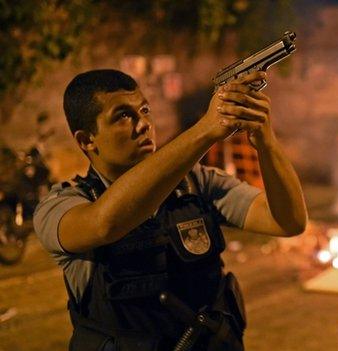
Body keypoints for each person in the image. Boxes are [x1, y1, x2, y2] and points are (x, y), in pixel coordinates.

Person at [33, 69, 307, 351]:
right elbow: (104, 224)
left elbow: (288, 221)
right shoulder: (62, 205)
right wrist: (205, 129)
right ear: (86, 140)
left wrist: (265, 141)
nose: (143, 125)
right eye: (123, 116)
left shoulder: (194, 182)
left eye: (145, 110)